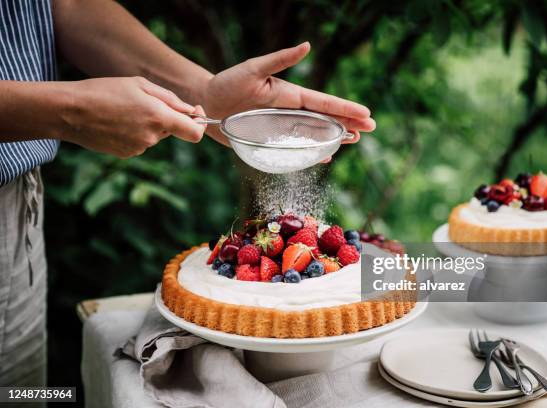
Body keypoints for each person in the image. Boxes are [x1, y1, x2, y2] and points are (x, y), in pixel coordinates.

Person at [0, 0, 375, 389]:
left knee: (17, 393)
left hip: (20, 211)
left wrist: (203, 94)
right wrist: (67, 109)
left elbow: (60, 5)